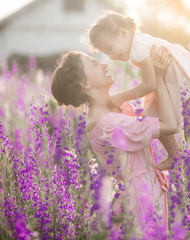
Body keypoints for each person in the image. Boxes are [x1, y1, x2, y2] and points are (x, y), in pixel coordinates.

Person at [88, 11, 190, 164]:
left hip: (188, 84)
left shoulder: (138, 47)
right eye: (107, 53)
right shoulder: (137, 45)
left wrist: (121, 96)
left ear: (124, 33)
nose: (111, 56)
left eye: (110, 48)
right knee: (154, 121)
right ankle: (174, 155)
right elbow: (154, 82)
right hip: (172, 85)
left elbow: (150, 84)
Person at [50, 47, 176, 236]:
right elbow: (169, 125)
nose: (103, 64)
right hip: (144, 201)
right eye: (94, 63)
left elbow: (151, 113)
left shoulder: (114, 110)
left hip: (143, 192)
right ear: (84, 83)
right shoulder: (109, 124)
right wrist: (158, 76)